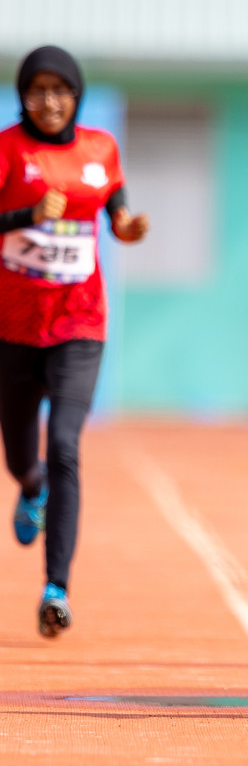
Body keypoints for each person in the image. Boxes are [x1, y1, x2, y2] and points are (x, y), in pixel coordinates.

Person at [0, 46, 150, 638]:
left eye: (60, 89)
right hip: (11, 329)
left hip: (79, 325)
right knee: (20, 457)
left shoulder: (99, 148)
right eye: (37, 89)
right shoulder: (9, 149)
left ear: (76, 95)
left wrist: (127, 225)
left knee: (65, 443)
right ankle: (29, 487)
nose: (49, 100)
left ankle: (55, 586)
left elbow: (116, 203)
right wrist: (25, 217)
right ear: (24, 96)